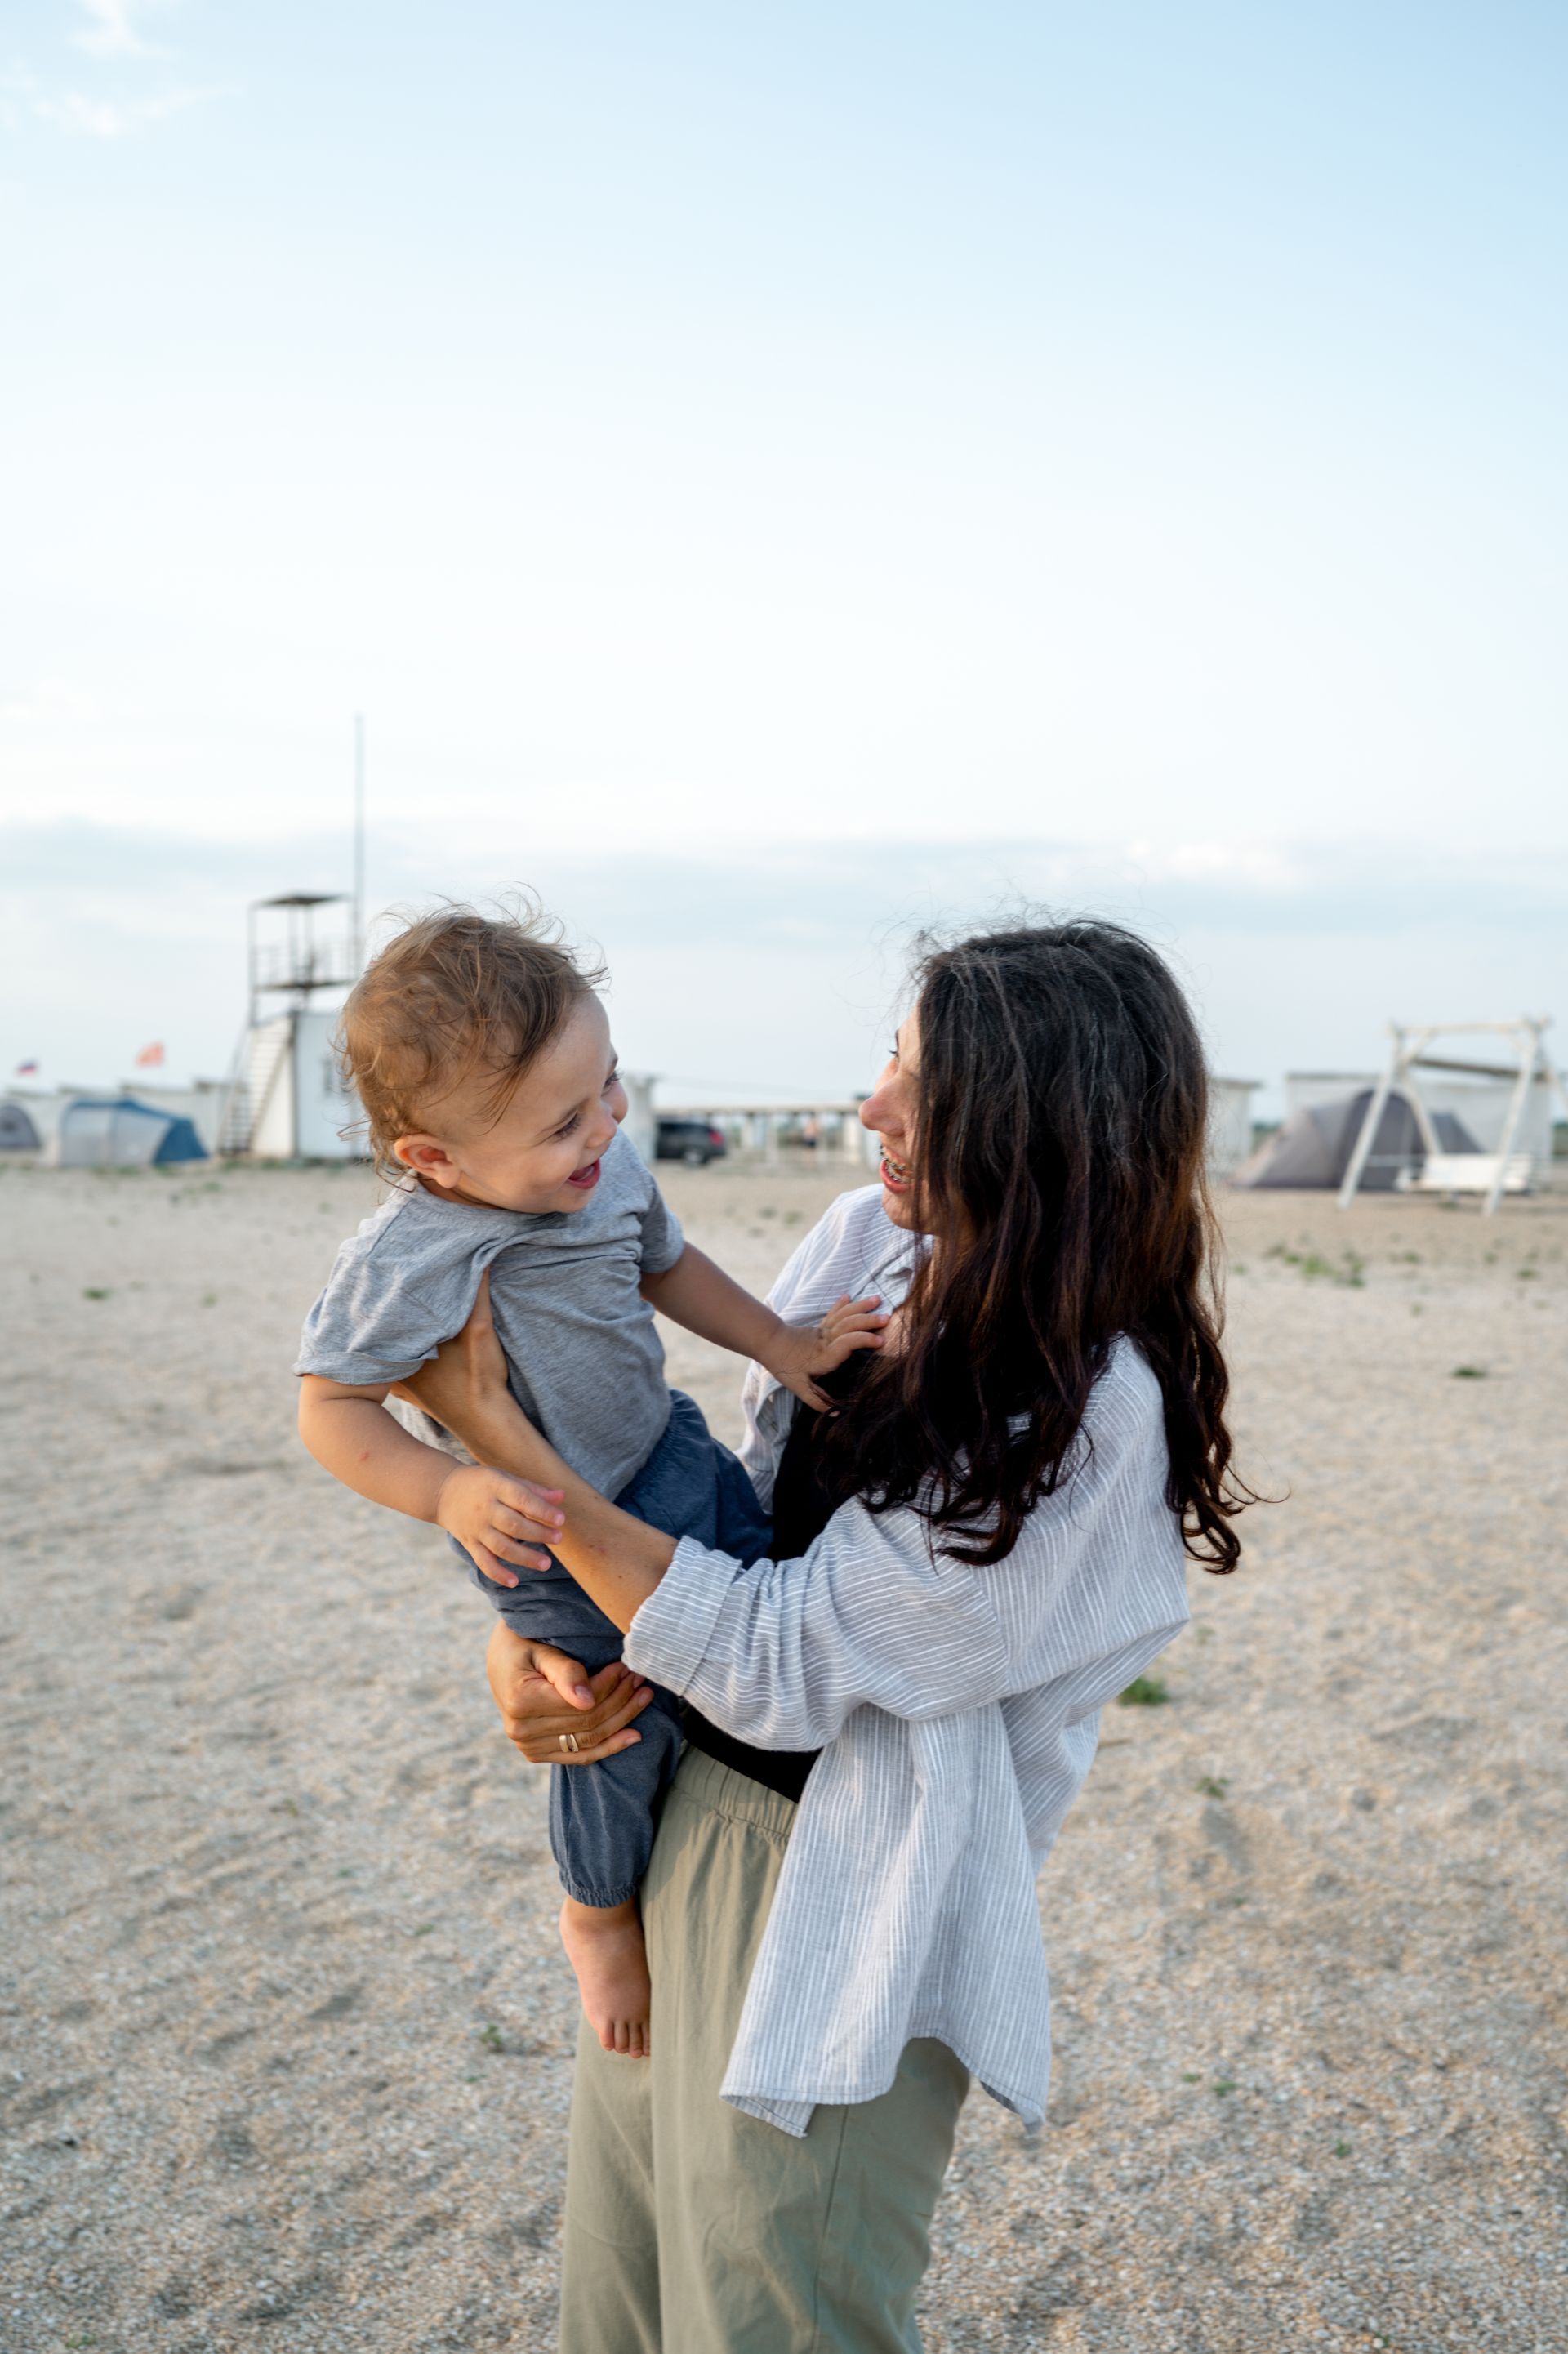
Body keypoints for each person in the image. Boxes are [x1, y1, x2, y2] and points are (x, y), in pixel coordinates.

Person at [394, 919, 1250, 2354]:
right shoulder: (868, 1241)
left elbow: (789, 1657)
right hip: (681, 1808)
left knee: (769, 2316)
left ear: (1041, 1125)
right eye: (889, 1063)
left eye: (926, 1084)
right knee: (625, 2290)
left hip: (854, 1880)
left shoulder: (1098, 1410)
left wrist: (489, 1430)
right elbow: (730, 1521)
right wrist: (533, 1656)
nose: (874, 1109)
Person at [296, 905, 884, 2059]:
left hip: (664, 1448)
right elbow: (328, 1409)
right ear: (436, 1159)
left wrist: (778, 1341)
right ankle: (597, 1907)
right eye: (565, 1121)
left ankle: (784, 1830)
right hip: (538, 1522)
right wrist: (447, 1492)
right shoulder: (408, 1255)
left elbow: (667, 1263)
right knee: (612, 1716)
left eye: (608, 1085)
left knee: (768, 1594)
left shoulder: (604, 1171)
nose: (606, 1127)